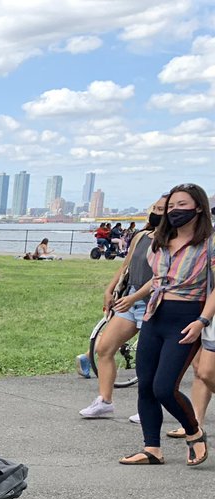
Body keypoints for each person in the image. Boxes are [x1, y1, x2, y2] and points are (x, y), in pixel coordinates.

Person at [120, 182, 214, 466]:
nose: (174, 211)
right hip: (154, 316)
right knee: (146, 386)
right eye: (171, 206)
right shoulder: (159, 241)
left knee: (164, 387)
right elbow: (158, 280)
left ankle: (194, 432)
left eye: (182, 205)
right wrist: (132, 297)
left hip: (186, 319)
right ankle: (152, 449)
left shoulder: (209, 243)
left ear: (198, 207)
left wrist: (202, 321)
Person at [80, 196, 165, 419]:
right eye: (155, 208)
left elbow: (161, 275)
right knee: (104, 347)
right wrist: (110, 290)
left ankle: (149, 407)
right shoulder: (141, 236)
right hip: (131, 298)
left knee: (149, 359)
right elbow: (126, 266)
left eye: (162, 209)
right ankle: (104, 401)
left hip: (154, 302)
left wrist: (135, 296)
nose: (157, 213)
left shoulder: (174, 242)